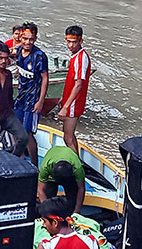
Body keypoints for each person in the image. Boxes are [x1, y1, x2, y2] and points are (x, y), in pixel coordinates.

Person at [14, 22, 49, 167]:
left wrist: (41, 101)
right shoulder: (18, 52)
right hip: (21, 95)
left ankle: (34, 165)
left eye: (31, 39)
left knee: (28, 133)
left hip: (33, 99)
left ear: (35, 39)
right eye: (25, 38)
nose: (28, 42)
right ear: (20, 37)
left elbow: (45, 79)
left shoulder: (40, 56)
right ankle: (20, 158)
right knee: (16, 128)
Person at [58, 25, 91, 155]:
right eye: (69, 41)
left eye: (74, 42)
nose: (71, 45)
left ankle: (76, 167)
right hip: (71, 102)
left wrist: (66, 106)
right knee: (69, 136)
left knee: (68, 137)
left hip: (74, 104)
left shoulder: (80, 58)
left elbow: (78, 85)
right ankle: (77, 163)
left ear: (81, 41)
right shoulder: (76, 56)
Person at [37, 146, 85, 213]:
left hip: (69, 174)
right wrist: (46, 209)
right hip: (52, 172)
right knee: (48, 196)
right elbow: (40, 188)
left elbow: (81, 188)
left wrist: (77, 210)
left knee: (72, 200)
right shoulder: (45, 166)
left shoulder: (77, 168)